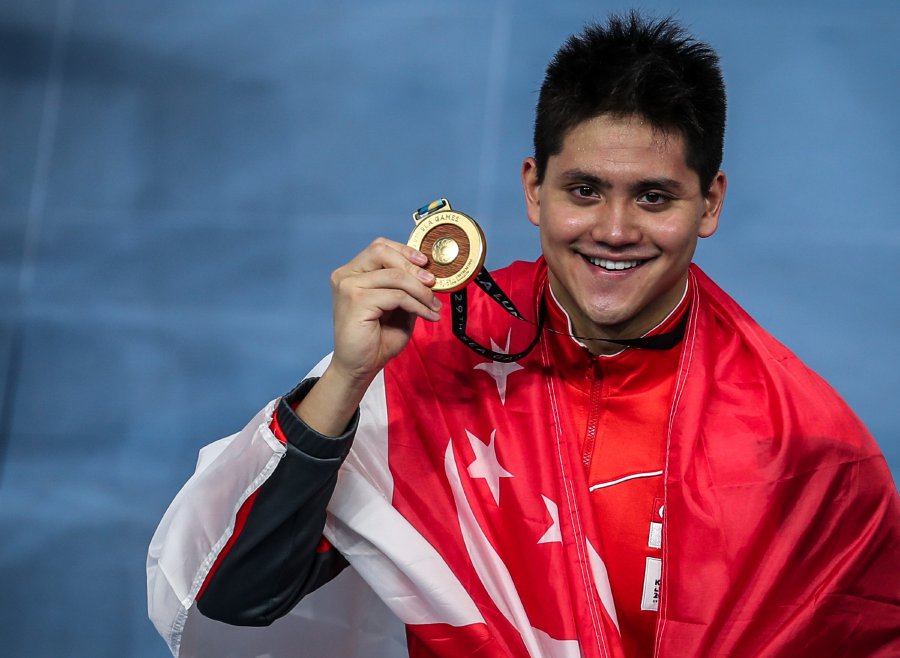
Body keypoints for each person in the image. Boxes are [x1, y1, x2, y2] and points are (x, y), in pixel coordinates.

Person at [147, 12, 900, 658]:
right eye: (583, 190)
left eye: (654, 197)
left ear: (710, 205)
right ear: (533, 189)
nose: (613, 230)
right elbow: (234, 596)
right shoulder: (435, 353)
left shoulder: (802, 448)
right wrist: (346, 381)